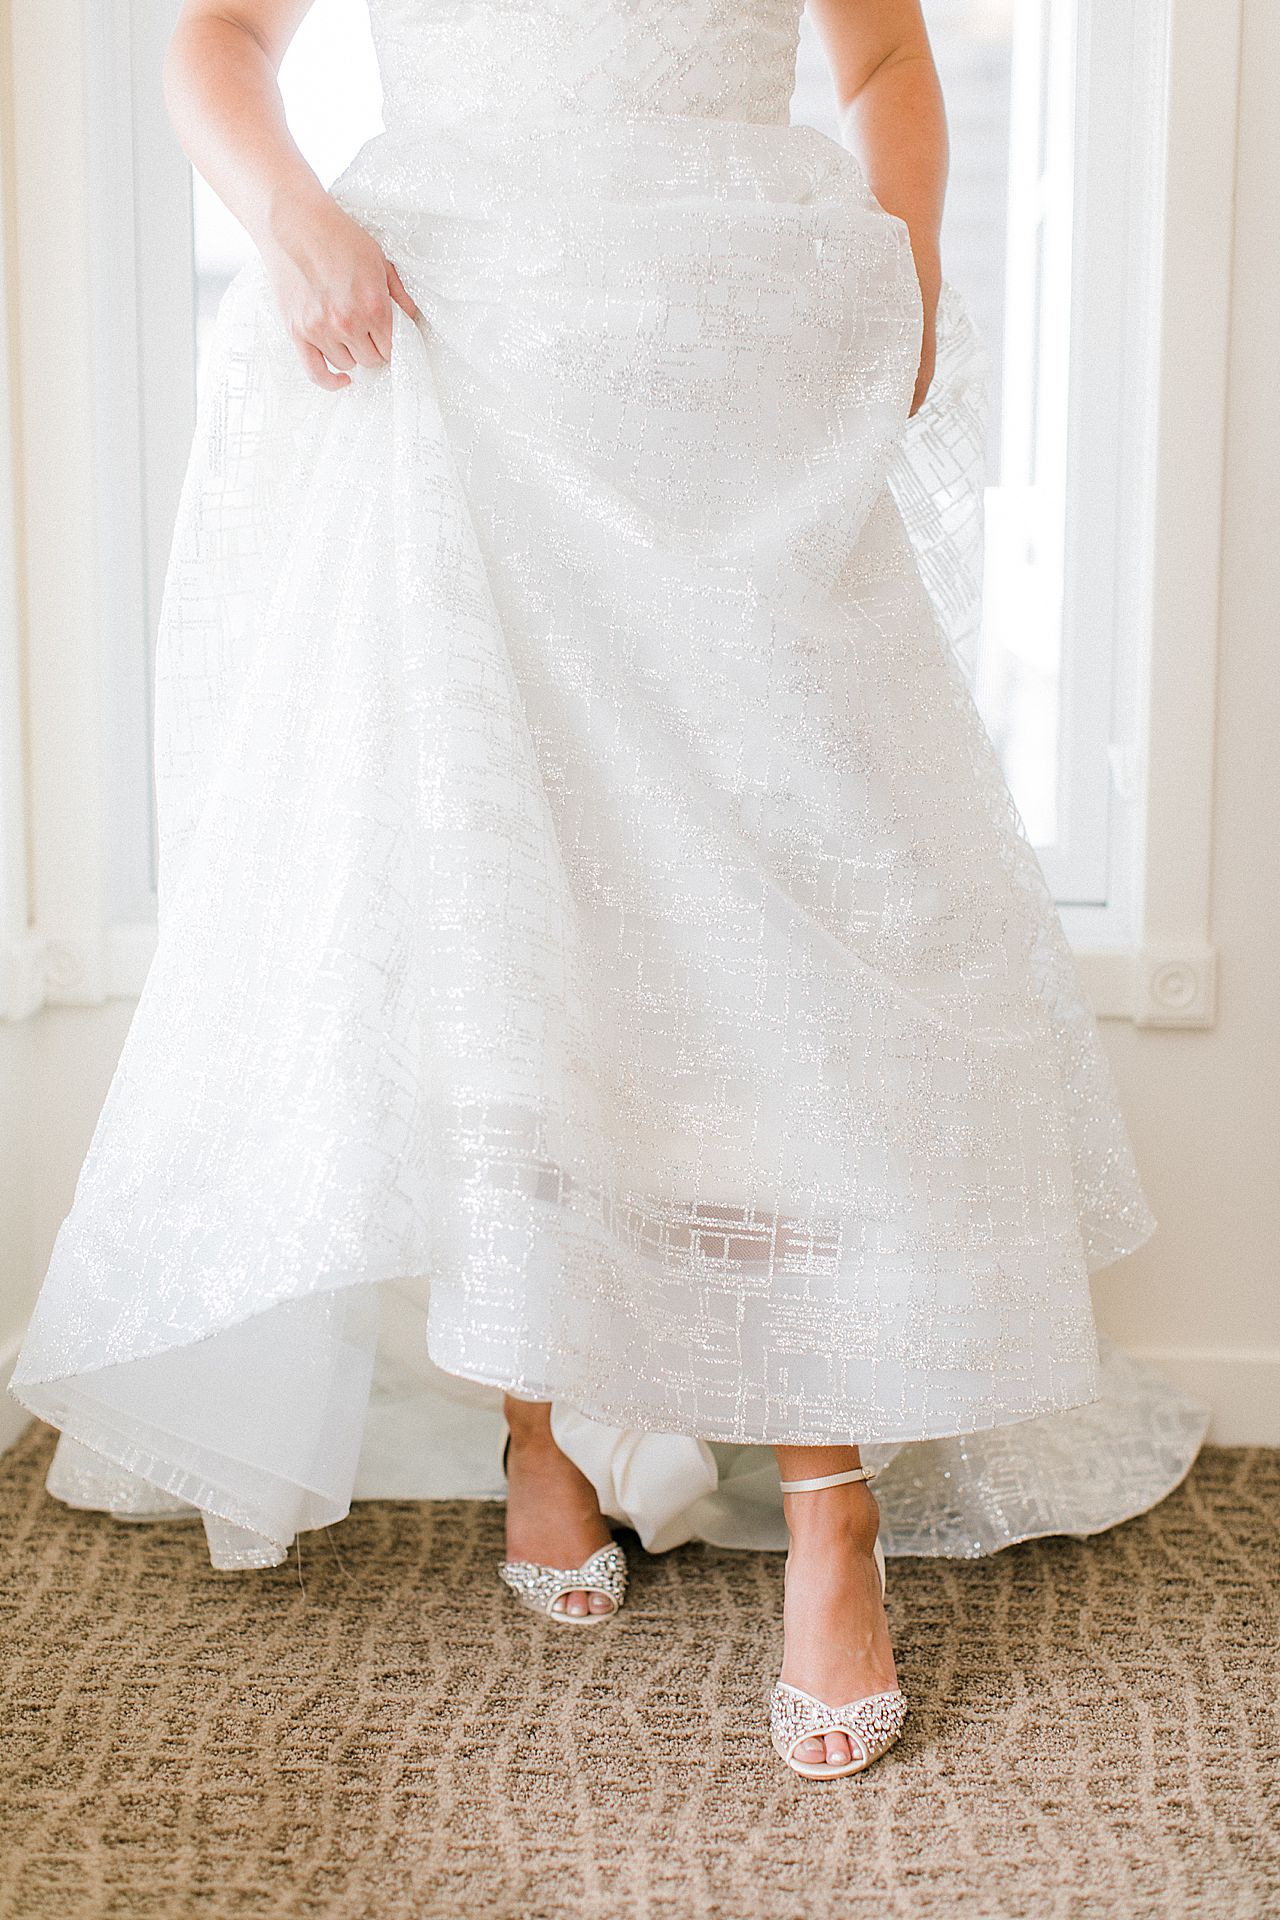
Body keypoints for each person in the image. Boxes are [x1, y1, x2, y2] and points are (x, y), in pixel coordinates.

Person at [11, 0, 1205, 1782]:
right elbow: (220, 39)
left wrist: (908, 268)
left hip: (729, 382)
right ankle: (539, 1425)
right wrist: (296, 217)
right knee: (503, 909)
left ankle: (832, 1506)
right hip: (459, 356)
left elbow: (886, 63)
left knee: (784, 957)